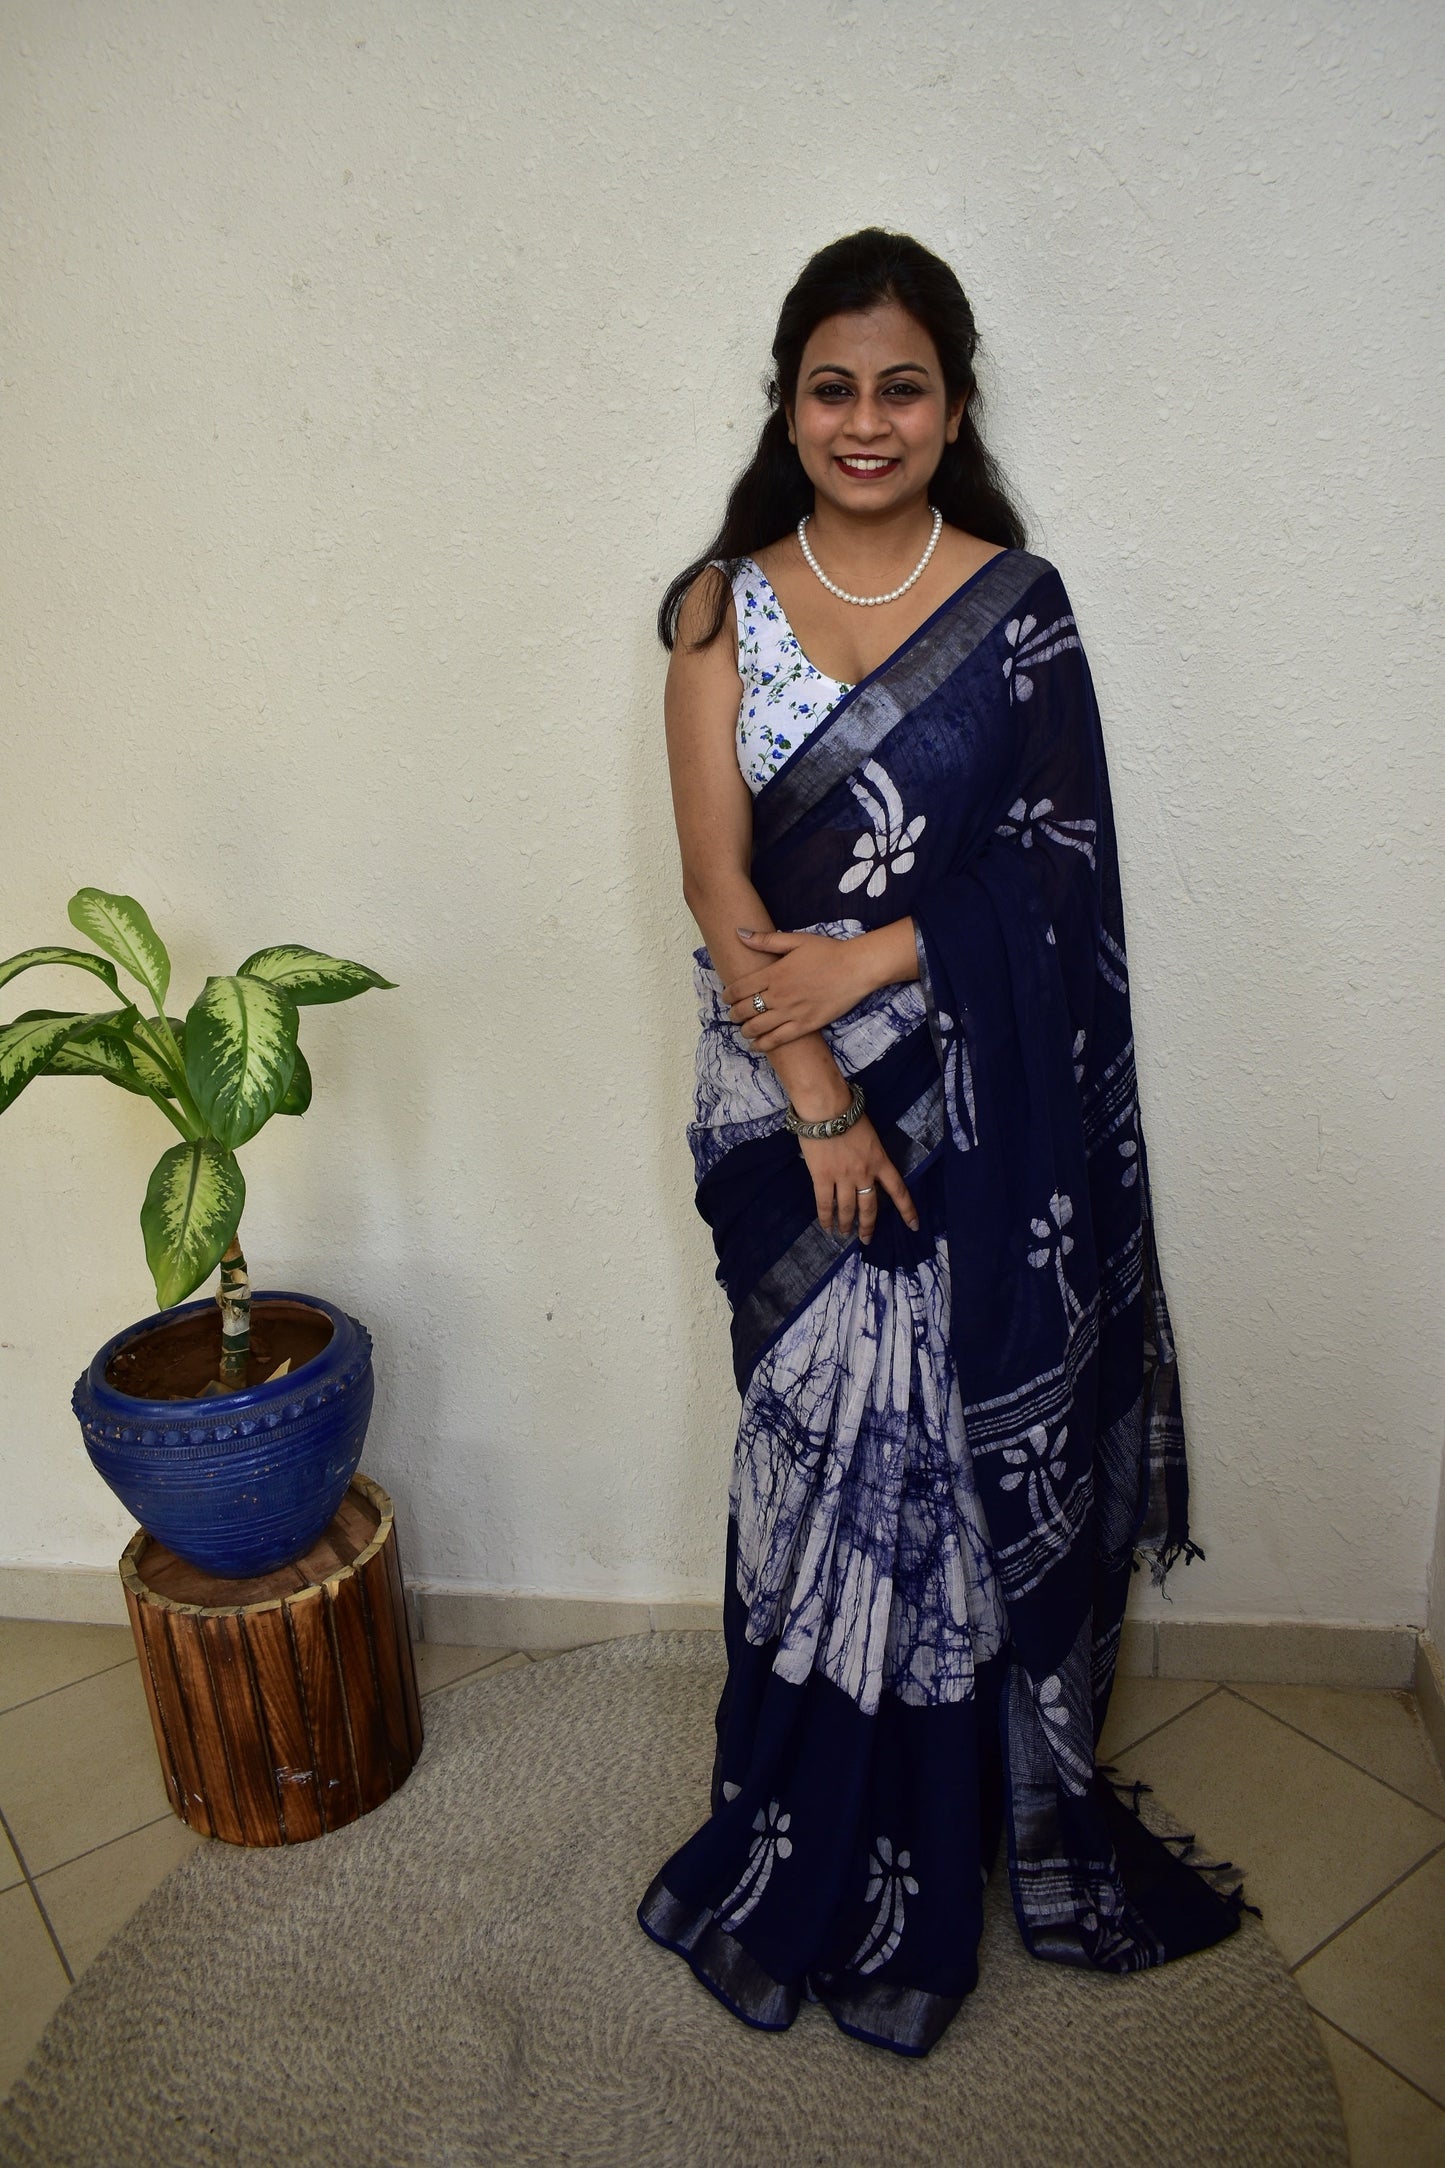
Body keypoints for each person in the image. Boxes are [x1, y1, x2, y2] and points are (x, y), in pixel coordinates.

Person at [636, 227, 1242, 2059]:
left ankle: (950, 1811)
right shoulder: (715, 610)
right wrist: (820, 1096)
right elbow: (717, 885)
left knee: (943, 1464)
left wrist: (882, 956)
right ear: (787, 407)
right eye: (831, 387)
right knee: (815, 1457)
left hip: (971, 1095)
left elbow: (1055, 871)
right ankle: (801, 1806)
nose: (865, 420)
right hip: (783, 1095)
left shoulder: (1018, 606)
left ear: (953, 406)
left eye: (900, 387)